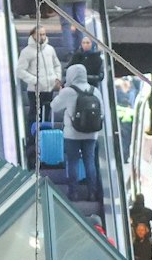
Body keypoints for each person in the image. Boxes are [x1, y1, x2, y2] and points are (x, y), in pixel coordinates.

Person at [48, 62, 104, 202]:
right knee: (89, 161)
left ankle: (74, 193)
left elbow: (54, 107)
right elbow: (102, 112)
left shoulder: (68, 91)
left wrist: (62, 90)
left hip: (72, 134)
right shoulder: (94, 90)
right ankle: (92, 193)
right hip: (91, 134)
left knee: (72, 162)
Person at [15, 24, 64, 143]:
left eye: (43, 34)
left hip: (49, 88)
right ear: (33, 35)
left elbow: (57, 64)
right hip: (35, 90)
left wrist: (57, 78)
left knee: (47, 113)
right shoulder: (27, 52)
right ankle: (31, 139)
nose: (42, 36)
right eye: (40, 34)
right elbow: (20, 70)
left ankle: (45, 138)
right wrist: (34, 80)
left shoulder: (50, 49)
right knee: (34, 115)